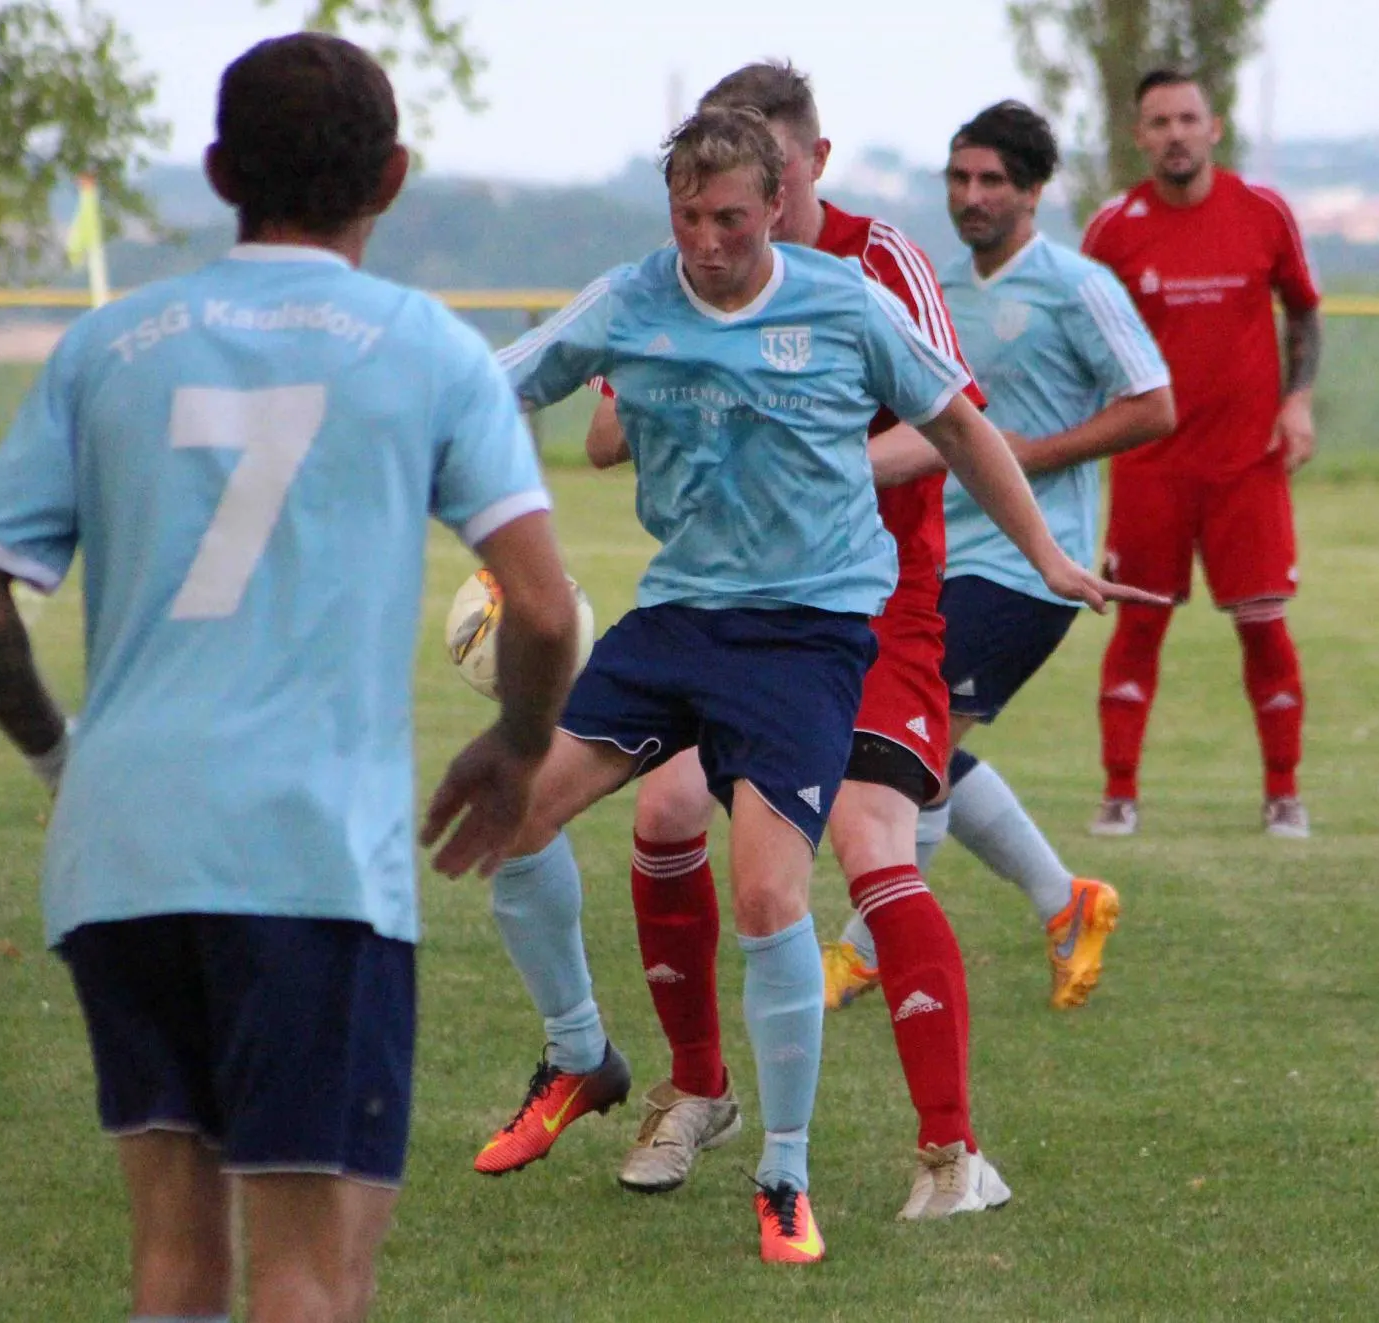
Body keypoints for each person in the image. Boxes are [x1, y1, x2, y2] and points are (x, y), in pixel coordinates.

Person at [0, 33, 580, 1323]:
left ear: (220, 171)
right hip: (307, 860)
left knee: (176, 1266)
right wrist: (517, 744)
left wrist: (62, 759)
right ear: (390, 177)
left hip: (125, 853)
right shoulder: (428, 349)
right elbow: (546, 610)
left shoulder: (109, 345)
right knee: (310, 1278)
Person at [453, 104, 1135, 1264]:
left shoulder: (845, 301)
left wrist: (1048, 558)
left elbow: (961, 429)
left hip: (807, 639)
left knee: (770, 899)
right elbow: (488, 386)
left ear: (779, 204)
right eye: (687, 216)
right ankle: (580, 1054)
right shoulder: (631, 299)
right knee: (507, 821)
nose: (706, 241)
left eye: (729, 218)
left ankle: (783, 1173)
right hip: (677, 620)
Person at [584, 61, 1011, 1222]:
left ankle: (952, 1155)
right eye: (724, 188)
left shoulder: (878, 265)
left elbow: (951, 424)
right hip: (732, 613)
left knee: (869, 839)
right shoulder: (695, 276)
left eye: (768, 174)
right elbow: (604, 436)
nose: (744, 208)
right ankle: (697, 1090)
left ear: (806, 167)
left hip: (872, 609)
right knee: (663, 811)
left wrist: (810, 463)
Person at [827, 100, 1175, 1013]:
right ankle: (1066, 901)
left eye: (992, 180)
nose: (971, 196)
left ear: (1033, 191)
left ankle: (861, 951)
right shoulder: (932, 286)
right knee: (918, 747)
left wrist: (1035, 452)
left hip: (1028, 566)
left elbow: (1154, 404)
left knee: (908, 752)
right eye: (959, 177)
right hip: (938, 559)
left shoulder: (1077, 285)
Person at [1081, 68, 1325, 841]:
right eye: (1159, 122)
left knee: (1263, 625)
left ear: (1214, 128)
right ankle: (1119, 793)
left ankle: (1283, 792)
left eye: (1188, 119)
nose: (1176, 134)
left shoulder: (1263, 212)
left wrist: (1297, 400)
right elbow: (1081, 335)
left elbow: (1303, 311)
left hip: (1246, 464)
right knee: (1138, 626)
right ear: (1139, 137)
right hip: (1149, 466)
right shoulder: (1113, 228)